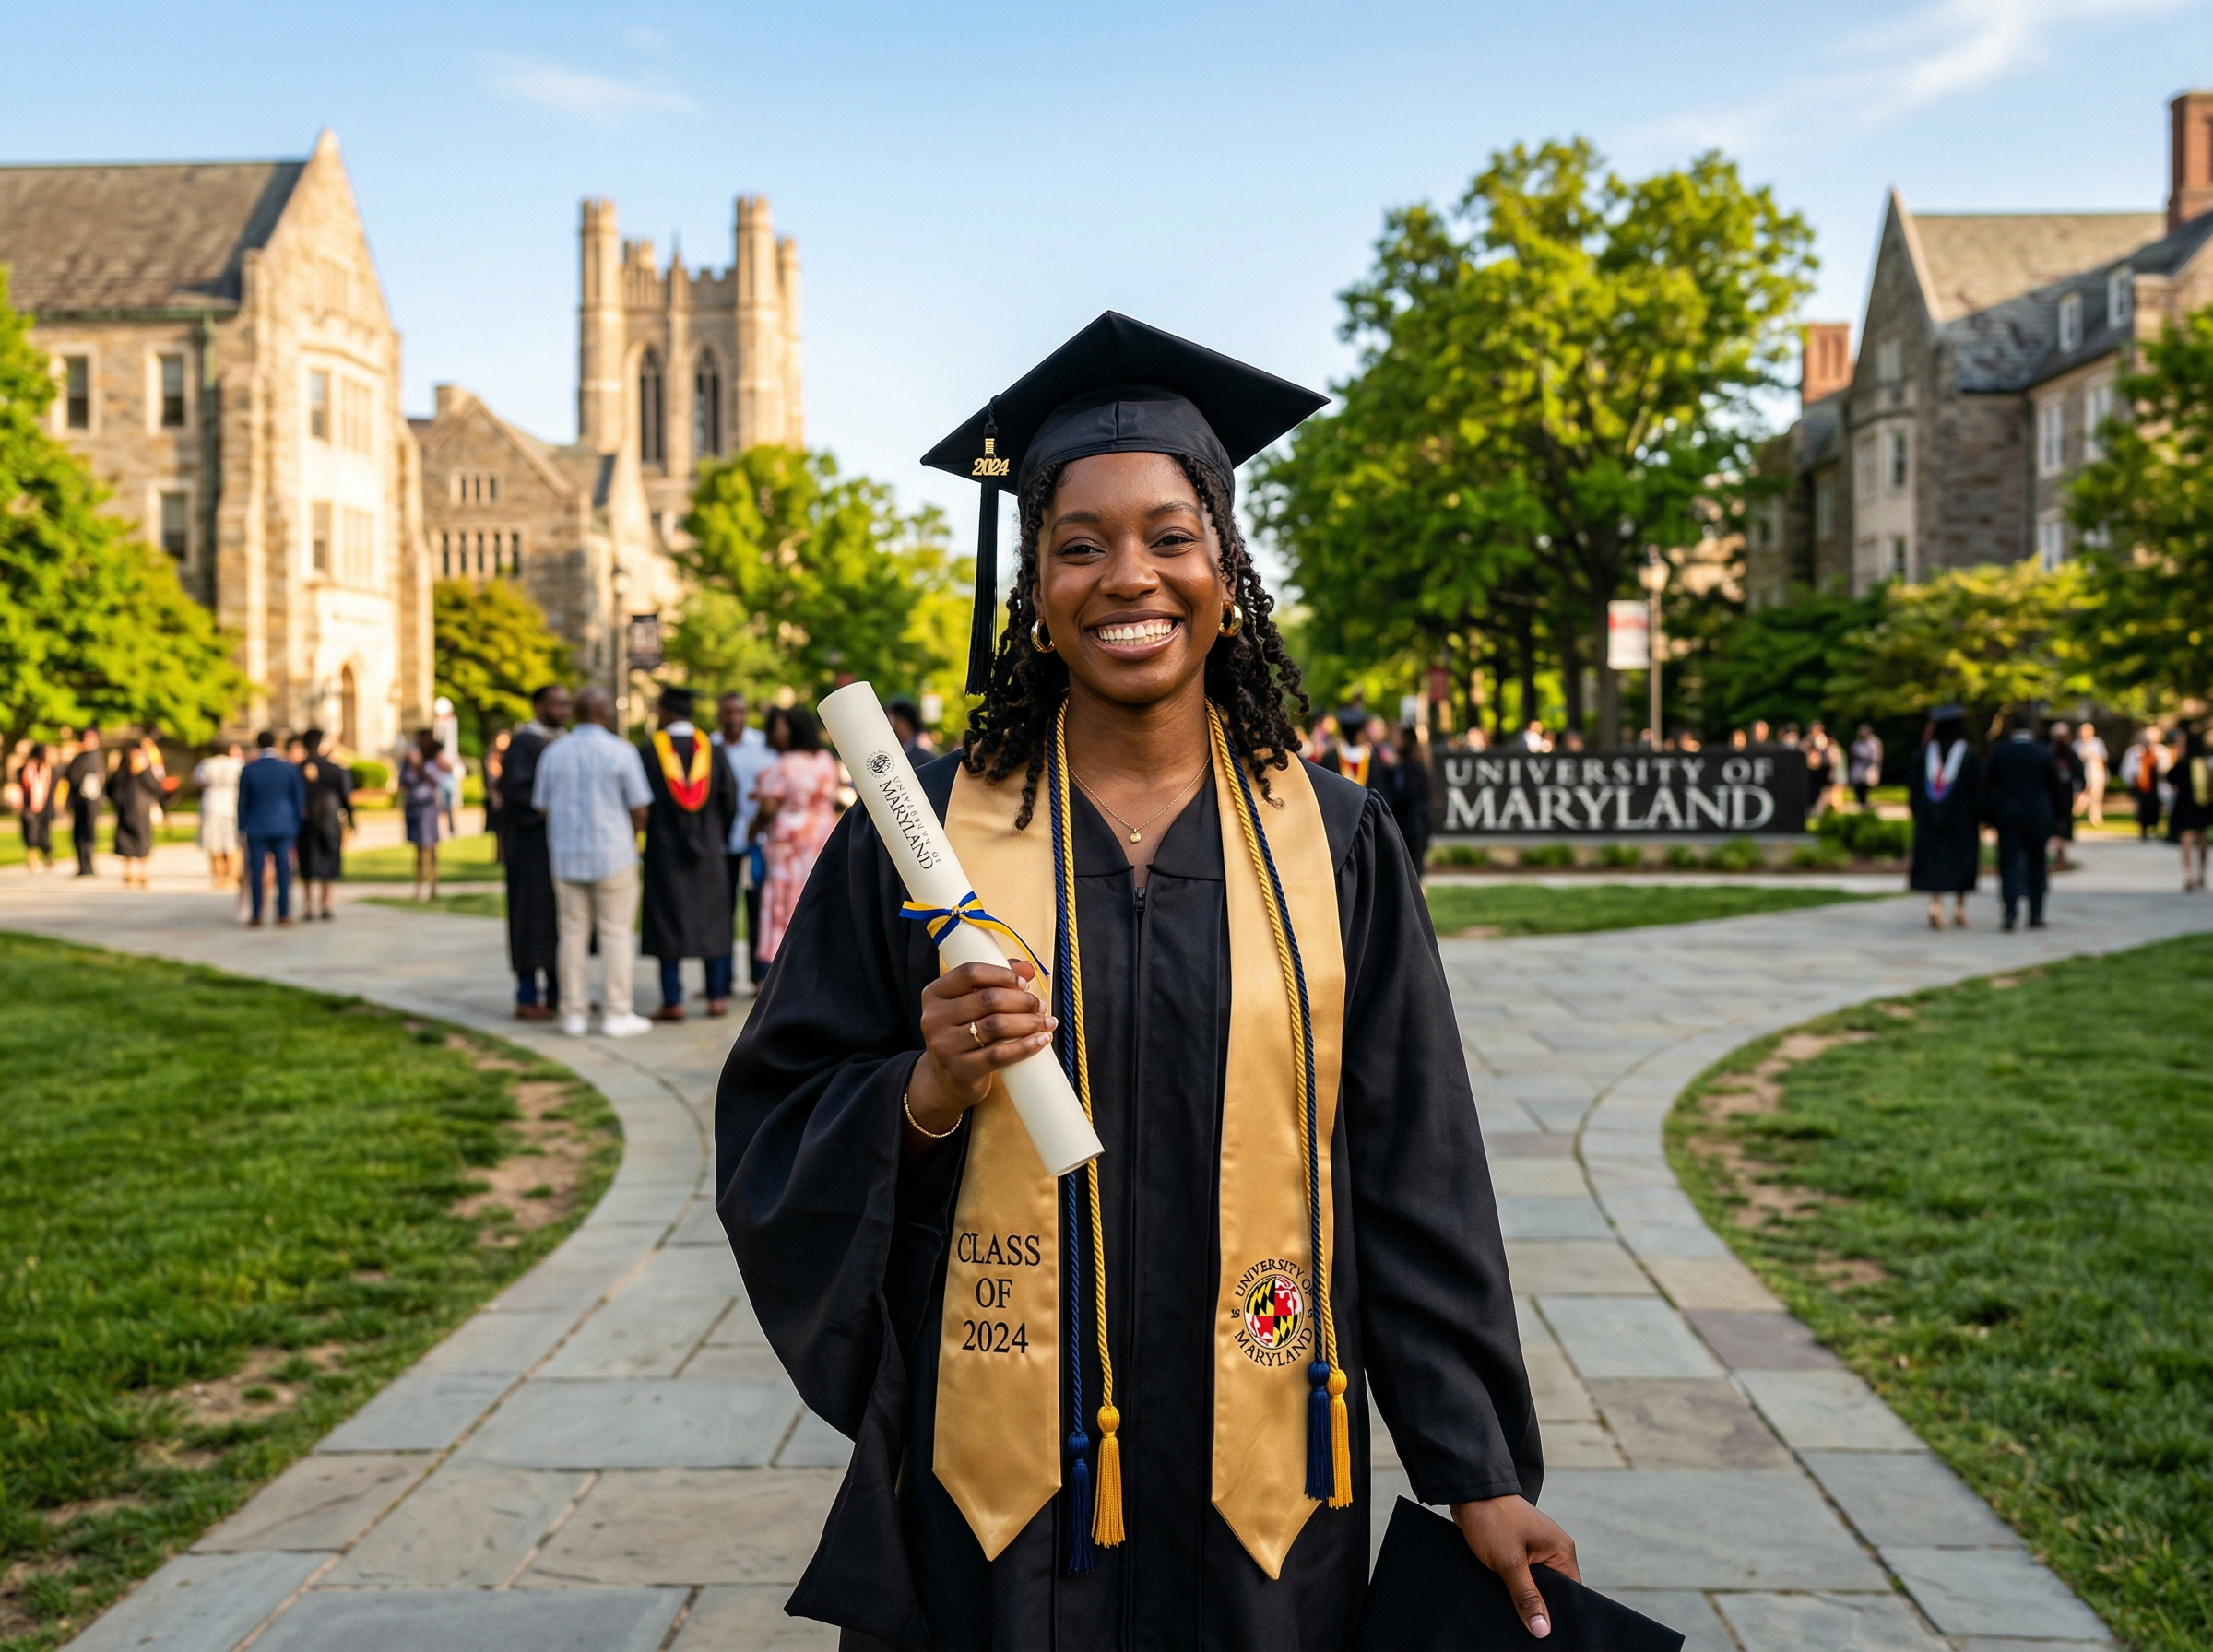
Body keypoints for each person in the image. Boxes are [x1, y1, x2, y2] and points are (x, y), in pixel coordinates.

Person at [717, 316, 1560, 1647]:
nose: (1130, 578)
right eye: (1080, 544)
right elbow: (775, 1121)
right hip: (991, 1496)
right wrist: (926, 1086)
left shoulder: (1335, 841)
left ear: (1226, 568)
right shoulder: (919, 835)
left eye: (1172, 536)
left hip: (1264, 1489)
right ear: (1035, 591)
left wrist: (1479, 1468)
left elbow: (1412, 1166)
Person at [533, 685, 654, 1038]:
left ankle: (574, 1013)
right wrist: (632, 836)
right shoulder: (621, 752)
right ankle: (617, 1012)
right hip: (613, 854)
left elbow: (542, 806)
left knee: (571, 934)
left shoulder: (554, 753)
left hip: (568, 856)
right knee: (615, 934)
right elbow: (640, 807)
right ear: (605, 713)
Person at [638, 686, 740, 1021]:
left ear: (665, 713)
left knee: (668, 922)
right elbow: (730, 801)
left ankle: (673, 1000)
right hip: (709, 853)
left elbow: (640, 803)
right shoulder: (712, 750)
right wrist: (715, 838)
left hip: (664, 854)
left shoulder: (648, 751)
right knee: (712, 921)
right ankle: (715, 997)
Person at [750, 704, 841, 982]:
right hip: (823, 834)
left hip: (790, 842)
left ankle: (784, 966)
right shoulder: (825, 759)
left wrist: (751, 831)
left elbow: (768, 805)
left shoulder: (785, 764)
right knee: (818, 895)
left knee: (785, 900)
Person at [503, 685, 572, 1019]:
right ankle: (527, 996)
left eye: (567, 704)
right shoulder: (524, 743)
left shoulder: (564, 740)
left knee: (561, 922)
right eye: (556, 703)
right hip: (530, 849)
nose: (563, 710)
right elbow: (518, 793)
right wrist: (549, 809)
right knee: (531, 921)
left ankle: (560, 994)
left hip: (560, 848)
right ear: (538, 705)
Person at [713, 690, 777, 992]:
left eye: (738, 711)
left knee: (756, 908)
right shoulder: (709, 747)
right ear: (719, 715)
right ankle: (720, 979)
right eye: (727, 712)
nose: (732, 718)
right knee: (720, 911)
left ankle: (759, 976)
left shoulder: (761, 747)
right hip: (721, 842)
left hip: (756, 840)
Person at [1983, 709, 2067, 931]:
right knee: (2037, 864)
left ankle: (2010, 912)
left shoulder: (2000, 753)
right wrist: (2059, 819)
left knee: (2008, 864)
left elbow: (1986, 785)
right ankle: (2036, 914)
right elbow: (2055, 789)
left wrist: (1988, 815)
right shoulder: (2042, 753)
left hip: (2008, 816)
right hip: (2038, 817)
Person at [1908, 703, 1981, 930]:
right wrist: (1979, 816)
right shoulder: (1968, 755)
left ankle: (1935, 904)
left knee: (1934, 861)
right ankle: (1959, 908)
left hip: (1931, 821)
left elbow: (1914, 790)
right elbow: (1978, 790)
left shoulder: (1924, 755)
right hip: (1962, 822)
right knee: (1961, 861)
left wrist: (1919, 814)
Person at [237, 730, 305, 926]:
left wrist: (241, 827)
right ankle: (283, 914)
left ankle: (257, 914)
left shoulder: (250, 769)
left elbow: (243, 802)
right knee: (283, 872)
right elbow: (298, 800)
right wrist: (296, 825)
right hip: (284, 826)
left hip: (256, 826)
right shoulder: (288, 768)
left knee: (256, 872)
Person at [296, 727, 354, 920]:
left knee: (307, 862)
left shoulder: (297, 769)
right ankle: (326, 904)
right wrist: (352, 820)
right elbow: (346, 797)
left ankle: (308, 905)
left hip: (305, 822)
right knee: (329, 860)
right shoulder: (334, 768)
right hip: (329, 819)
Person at [397, 730, 445, 902]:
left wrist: (419, 767)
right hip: (414, 808)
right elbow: (402, 784)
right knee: (418, 850)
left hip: (428, 808)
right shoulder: (407, 762)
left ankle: (434, 887)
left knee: (432, 848)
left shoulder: (432, 760)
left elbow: (437, 780)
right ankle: (419, 888)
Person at [110, 743, 163, 889]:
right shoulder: (121, 773)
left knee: (143, 842)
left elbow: (157, 788)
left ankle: (143, 873)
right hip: (125, 811)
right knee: (125, 842)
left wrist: (145, 770)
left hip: (141, 813)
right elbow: (111, 789)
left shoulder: (145, 773)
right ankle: (128, 873)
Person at [2166, 721, 2211, 892]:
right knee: (2201, 841)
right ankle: (2201, 875)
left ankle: (2189, 875)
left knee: (2186, 840)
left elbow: (2170, 778)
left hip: (2185, 805)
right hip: (2202, 806)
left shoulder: (2183, 764)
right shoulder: (2204, 764)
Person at [193, 742, 243, 889]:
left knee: (214, 842)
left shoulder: (206, 764)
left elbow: (198, 781)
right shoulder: (237, 764)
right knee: (232, 842)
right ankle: (232, 876)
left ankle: (218, 875)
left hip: (212, 803)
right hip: (232, 803)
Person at [1388, 722, 1433, 873]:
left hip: (1411, 829)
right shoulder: (1399, 767)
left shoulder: (1413, 769)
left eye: (1398, 737)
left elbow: (1406, 797)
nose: (1394, 741)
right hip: (1407, 826)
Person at [63, 727, 106, 877]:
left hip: (90, 801)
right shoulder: (79, 758)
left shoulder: (95, 757)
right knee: (78, 833)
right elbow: (69, 775)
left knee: (88, 832)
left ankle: (88, 864)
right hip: (78, 800)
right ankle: (82, 864)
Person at [2046, 721, 2085, 871]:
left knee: (2064, 826)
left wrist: (2078, 789)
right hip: (2050, 797)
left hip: (2065, 796)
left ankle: (2061, 856)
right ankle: (2057, 855)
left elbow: (2079, 773)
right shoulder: (2048, 752)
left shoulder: (2070, 753)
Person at [14, 744, 56, 872]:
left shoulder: (49, 769)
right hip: (29, 807)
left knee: (44, 834)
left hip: (45, 807)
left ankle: (47, 856)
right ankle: (32, 860)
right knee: (30, 833)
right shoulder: (25, 769)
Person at [2124, 726, 2166, 840]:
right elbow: (2127, 769)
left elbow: (2166, 767)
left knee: (2155, 807)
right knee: (2142, 808)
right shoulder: (2134, 752)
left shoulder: (2160, 751)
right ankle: (2143, 830)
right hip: (2141, 785)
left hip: (2156, 784)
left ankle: (2155, 827)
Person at [432, 695, 463, 834]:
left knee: (450, 803)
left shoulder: (448, 725)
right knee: (443, 804)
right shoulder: (441, 727)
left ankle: (451, 829)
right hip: (442, 772)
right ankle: (447, 830)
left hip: (447, 772)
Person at [484, 727, 512, 864]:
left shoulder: (511, 758)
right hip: (497, 799)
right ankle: (500, 855)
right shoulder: (491, 758)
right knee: (499, 830)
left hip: (508, 799)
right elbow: (490, 780)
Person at [2077, 720, 2110, 828]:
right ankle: (2076, 812)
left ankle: (2095, 818)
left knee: (2096, 796)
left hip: (2095, 772)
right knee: (2082, 794)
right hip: (2081, 772)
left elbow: (2103, 758)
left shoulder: (2097, 743)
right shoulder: (2076, 744)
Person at [1804, 722, 1835, 821]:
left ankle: (1820, 813)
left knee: (1822, 794)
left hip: (1822, 771)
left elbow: (1829, 759)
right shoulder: (1807, 740)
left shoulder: (1823, 740)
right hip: (1811, 772)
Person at [1849, 723, 1883, 808]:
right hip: (1859, 769)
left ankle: (1866, 803)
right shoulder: (1857, 743)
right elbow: (1852, 753)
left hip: (1869, 768)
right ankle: (1861, 803)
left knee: (1866, 786)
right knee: (1858, 787)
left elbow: (1875, 756)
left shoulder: (1874, 742)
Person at [887, 698, 932, 762]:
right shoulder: (890, 752)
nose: (891, 725)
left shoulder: (925, 759)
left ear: (905, 722)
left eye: (894, 720)